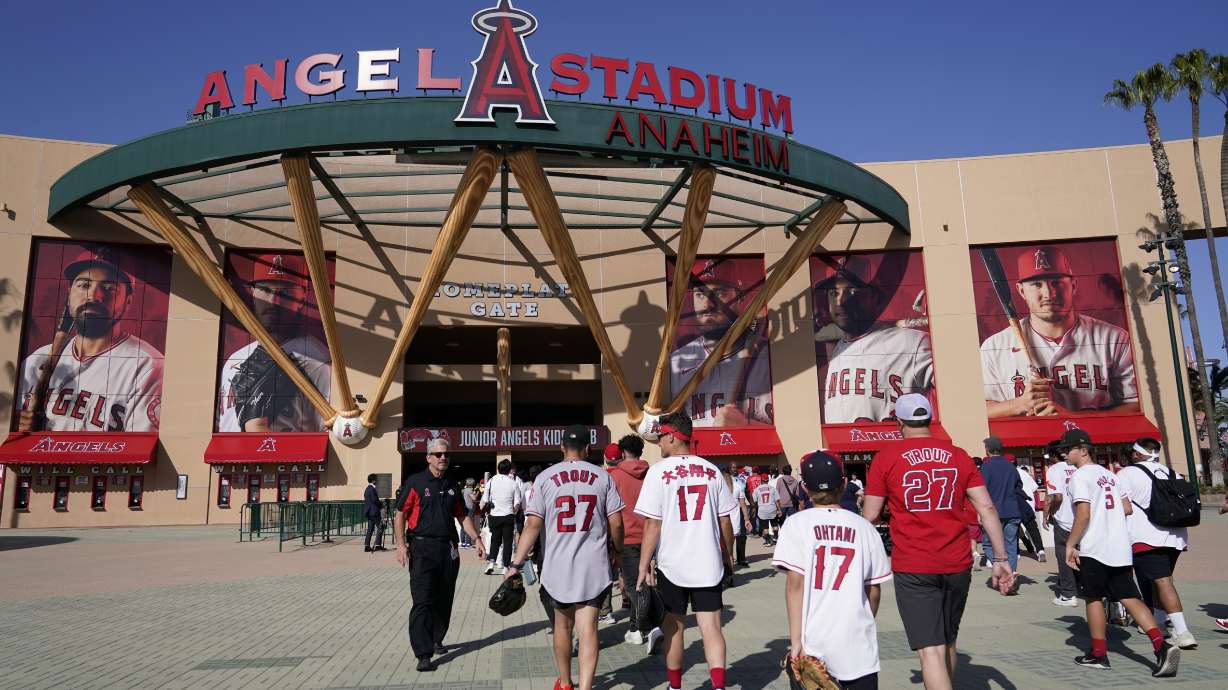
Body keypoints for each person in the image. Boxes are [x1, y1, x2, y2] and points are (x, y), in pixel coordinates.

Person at [862, 394, 1014, 690]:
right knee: (948, 640)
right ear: (929, 419)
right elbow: (987, 508)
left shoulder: (886, 458)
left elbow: (869, 515)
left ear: (899, 423)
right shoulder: (957, 455)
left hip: (914, 562)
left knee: (930, 650)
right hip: (957, 561)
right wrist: (1001, 558)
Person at [505, 425, 625, 690]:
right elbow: (616, 523)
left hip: (557, 565)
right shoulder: (603, 477)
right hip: (593, 565)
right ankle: (585, 686)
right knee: (589, 629)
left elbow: (532, 525)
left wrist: (516, 563)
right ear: (588, 449)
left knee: (562, 627)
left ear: (561, 448)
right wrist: (617, 550)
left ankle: (566, 682)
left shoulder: (545, 477)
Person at [1059, 429, 1178, 676]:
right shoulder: (1111, 475)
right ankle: (1160, 644)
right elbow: (1126, 508)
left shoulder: (1080, 476)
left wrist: (1071, 544)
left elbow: (1083, 513)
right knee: (1129, 597)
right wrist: (1108, 516)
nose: (1064, 453)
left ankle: (1099, 653)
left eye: (1067, 449)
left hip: (1095, 546)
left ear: (1083, 450)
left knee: (1093, 598)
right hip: (1119, 546)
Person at [636, 412, 737, 690]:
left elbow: (652, 525)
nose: (658, 444)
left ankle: (675, 686)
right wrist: (728, 557)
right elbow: (725, 520)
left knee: (674, 628)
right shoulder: (711, 470)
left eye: (660, 438)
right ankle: (718, 686)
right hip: (708, 562)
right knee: (712, 629)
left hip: (672, 563)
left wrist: (643, 566)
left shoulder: (658, 471)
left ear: (671, 436)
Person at [774, 450, 891, 689]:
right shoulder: (864, 528)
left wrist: (796, 641)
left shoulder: (796, 524)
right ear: (845, 484)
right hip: (859, 647)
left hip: (812, 643)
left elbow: (795, 585)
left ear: (805, 488)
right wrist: (864, 619)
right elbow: (874, 591)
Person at [980, 245, 1139, 418]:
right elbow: (978, 411)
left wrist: (1073, 419)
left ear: (1074, 285)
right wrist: (1018, 404)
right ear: (1021, 290)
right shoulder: (994, 347)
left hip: (1093, 443)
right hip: (1027, 443)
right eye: (1037, 284)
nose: (1049, 293)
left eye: (1057, 282)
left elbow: (1135, 405)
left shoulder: (1114, 339)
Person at [17, 246, 164, 431]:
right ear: (69, 292)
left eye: (109, 288)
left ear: (128, 301)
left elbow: (142, 450)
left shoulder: (147, 366)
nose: (94, 296)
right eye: (84, 285)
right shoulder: (37, 360)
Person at [393, 438, 485, 672]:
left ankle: (436, 637)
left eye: (446, 454)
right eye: (437, 454)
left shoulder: (453, 485)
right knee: (423, 600)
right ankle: (423, 654)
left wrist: (476, 539)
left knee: (445, 598)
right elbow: (400, 514)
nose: (442, 458)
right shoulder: (415, 482)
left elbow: (462, 516)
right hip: (422, 548)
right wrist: (401, 545)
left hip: (448, 549)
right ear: (428, 457)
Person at [217, 253, 331, 432]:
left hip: (285, 458)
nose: (273, 301)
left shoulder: (316, 360)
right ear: (253, 293)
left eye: (285, 293)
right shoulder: (236, 358)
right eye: (266, 290)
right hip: (227, 458)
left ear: (302, 298)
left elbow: (325, 432)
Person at [814, 254, 934, 423]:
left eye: (851, 291)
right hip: (841, 447)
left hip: (889, 447)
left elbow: (961, 389)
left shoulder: (911, 342)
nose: (840, 301)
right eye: (834, 293)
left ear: (874, 297)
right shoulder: (837, 350)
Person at [670, 258, 773, 427]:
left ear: (739, 298)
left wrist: (746, 426)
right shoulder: (675, 362)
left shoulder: (770, 359)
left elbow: (795, 428)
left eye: (719, 293)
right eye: (700, 294)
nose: (708, 304)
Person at [1117, 437, 1196, 650]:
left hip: (1147, 536)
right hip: (1176, 536)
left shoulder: (1127, 474)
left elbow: (1121, 507)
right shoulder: (1172, 473)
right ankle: (1158, 622)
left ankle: (1182, 632)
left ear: (1136, 454)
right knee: (1158, 581)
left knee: (1162, 582)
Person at [606, 434, 663, 649]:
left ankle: (645, 628)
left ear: (621, 452)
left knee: (634, 584)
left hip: (627, 536)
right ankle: (635, 627)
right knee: (647, 579)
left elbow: (612, 514)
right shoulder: (651, 473)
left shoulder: (614, 476)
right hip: (653, 534)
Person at [978, 437, 1023, 577]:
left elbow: (981, 490)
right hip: (1012, 509)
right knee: (1011, 544)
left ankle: (1003, 570)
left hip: (993, 512)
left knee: (988, 544)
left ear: (987, 449)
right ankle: (1012, 570)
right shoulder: (1011, 466)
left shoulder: (986, 467)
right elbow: (1019, 486)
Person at [1043, 440, 1079, 606]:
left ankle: (1068, 593)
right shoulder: (1078, 467)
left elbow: (1055, 496)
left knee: (1063, 554)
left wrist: (1047, 514)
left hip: (1064, 519)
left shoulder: (1054, 470)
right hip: (1084, 518)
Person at [483, 459, 522, 575]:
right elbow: (517, 502)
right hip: (508, 515)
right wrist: (513, 512)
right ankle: (505, 566)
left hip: (495, 515)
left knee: (495, 540)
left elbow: (485, 499)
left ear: (498, 469)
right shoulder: (513, 483)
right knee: (508, 542)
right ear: (509, 470)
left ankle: (491, 563)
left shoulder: (491, 481)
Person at [1015, 459, 1046, 562]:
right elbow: (1034, 487)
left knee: (1014, 528)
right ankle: (1040, 550)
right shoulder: (1023, 473)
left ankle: (1016, 552)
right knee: (1033, 529)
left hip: (1015, 504)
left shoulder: (1007, 473)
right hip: (1028, 505)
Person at [725, 463, 751, 567]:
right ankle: (729, 557)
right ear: (729, 469)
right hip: (727, 513)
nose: (734, 469)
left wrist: (746, 517)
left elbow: (747, 493)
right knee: (728, 537)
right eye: (732, 468)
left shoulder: (742, 480)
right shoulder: (724, 482)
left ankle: (741, 559)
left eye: (736, 467)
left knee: (741, 536)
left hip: (739, 511)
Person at [754, 472, 781, 546]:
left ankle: (768, 541)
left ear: (761, 480)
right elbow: (777, 500)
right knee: (774, 524)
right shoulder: (772, 488)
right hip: (772, 508)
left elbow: (755, 501)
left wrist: (757, 508)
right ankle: (775, 537)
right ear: (767, 480)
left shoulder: (757, 489)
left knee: (765, 527)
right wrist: (779, 510)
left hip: (762, 510)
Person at [363, 473, 385, 552]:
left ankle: (367, 545)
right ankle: (378, 545)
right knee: (381, 527)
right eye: (376, 479)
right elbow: (374, 500)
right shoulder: (372, 489)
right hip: (374, 512)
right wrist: (381, 504)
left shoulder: (367, 489)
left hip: (369, 512)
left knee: (370, 529)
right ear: (374, 480)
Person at [460, 478, 477, 549]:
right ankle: (468, 542)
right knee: (469, 525)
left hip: (464, 508)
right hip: (469, 509)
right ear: (472, 484)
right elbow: (474, 498)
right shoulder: (470, 490)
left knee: (463, 525)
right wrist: (477, 492)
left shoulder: (463, 490)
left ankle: (463, 542)